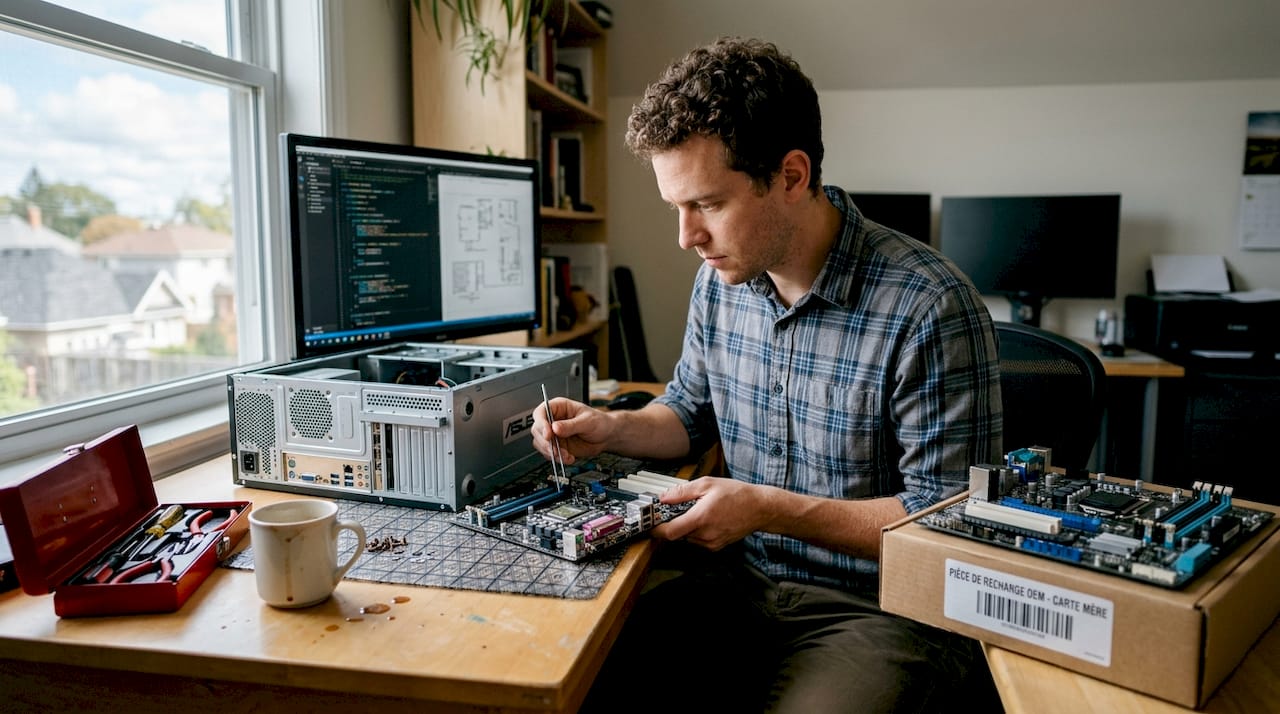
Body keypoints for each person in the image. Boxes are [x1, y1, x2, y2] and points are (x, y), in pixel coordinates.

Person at [531, 37, 1003, 713]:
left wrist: (767, 509)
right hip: (742, 587)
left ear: (791, 174)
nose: (686, 236)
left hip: (878, 611)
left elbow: (947, 522)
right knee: (577, 689)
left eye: (708, 205)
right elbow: (690, 415)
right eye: (676, 207)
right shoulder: (719, 282)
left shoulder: (928, 305)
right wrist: (613, 428)